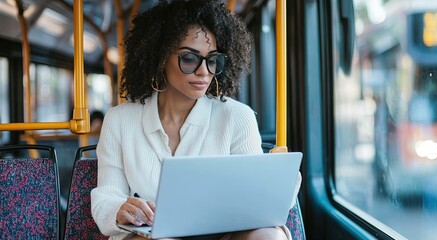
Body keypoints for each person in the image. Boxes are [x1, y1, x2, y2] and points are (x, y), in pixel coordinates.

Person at [90, 0, 301, 239]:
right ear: (160, 58)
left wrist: (277, 179)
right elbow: (106, 196)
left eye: (213, 60)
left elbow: (257, 204)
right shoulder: (119, 120)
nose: (204, 71)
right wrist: (120, 209)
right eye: (190, 58)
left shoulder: (237, 117)